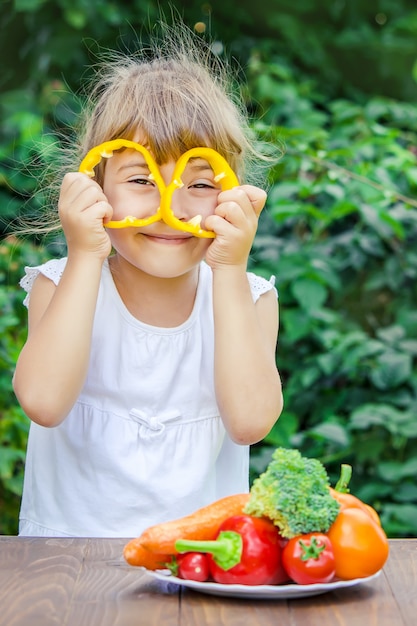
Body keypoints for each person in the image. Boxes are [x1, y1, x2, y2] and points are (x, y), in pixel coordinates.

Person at [12, 26, 283, 538]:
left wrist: (228, 269)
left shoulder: (249, 297)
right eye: (141, 180)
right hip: (67, 571)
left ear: (231, 193)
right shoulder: (60, 283)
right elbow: (44, 403)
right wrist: (86, 254)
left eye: (199, 183)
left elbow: (250, 422)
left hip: (200, 568)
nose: (169, 208)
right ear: (95, 187)